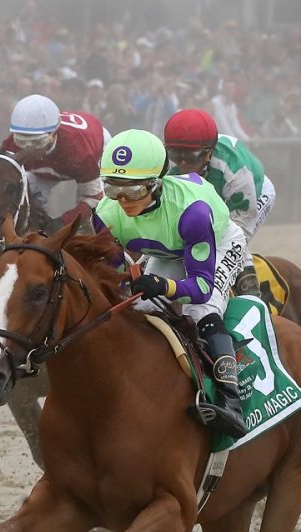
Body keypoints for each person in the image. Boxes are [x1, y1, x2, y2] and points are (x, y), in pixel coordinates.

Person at [92, 129, 248, 439]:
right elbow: (112, 277)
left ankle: (232, 402)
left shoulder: (193, 212)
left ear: (156, 184)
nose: (123, 201)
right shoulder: (105, 215)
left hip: (217, 242)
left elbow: (201, 287)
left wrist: (162, 285)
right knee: (138, 307)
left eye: (133, 192)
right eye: (113, 189)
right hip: (165, 248)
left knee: (202, 309)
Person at [163, 109, 275, 297]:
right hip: (211, 189)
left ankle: (253, 296)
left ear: (209, 153)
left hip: (253, 193)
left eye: (190, 158)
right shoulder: (167, 165)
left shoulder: (235, 171)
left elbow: (239, 229)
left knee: (231, 240)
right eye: (175, 155)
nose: (182, 165)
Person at [0, 93, 108, 227]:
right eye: (22, 141)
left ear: (53, 133)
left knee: (93, 217)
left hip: (96, 149)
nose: (29, 150)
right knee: (21, 193)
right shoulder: (11, 145)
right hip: (54, 164)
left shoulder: (78, 150)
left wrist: (62, 223)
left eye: (37, 142)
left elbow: (94, 198)